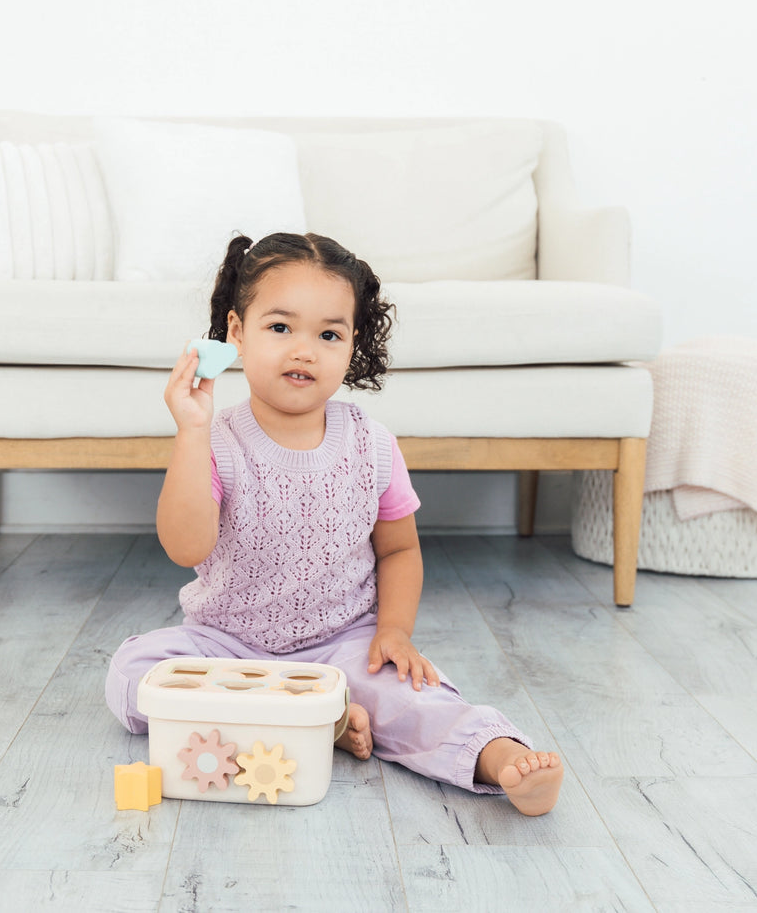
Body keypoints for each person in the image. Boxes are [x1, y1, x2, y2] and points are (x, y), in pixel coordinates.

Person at [104, 231, 564, 815]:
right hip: (226, 647)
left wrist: (392, 631)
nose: (304, 350)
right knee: (132, 672)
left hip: (342, 648)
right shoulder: (215, 441)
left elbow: (399, 551)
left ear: (352, 346)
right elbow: (184, 544)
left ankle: (497, 756)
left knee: (414, 697)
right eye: (280, 327)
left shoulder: (372, 444)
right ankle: (322, 723)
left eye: (328, 334)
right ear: (237, 333)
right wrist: (191, 431)